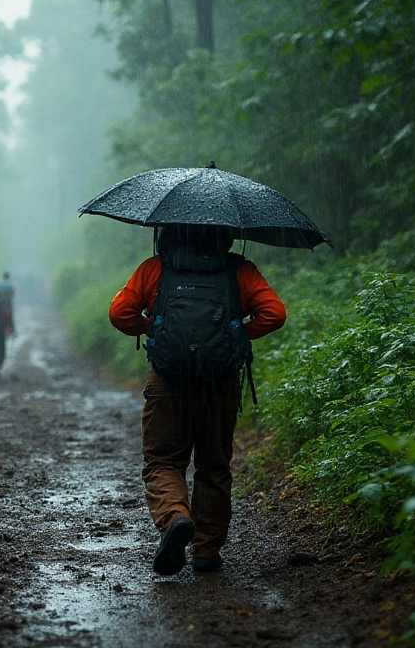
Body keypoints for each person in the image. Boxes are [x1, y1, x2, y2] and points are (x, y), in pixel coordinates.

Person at [108, 226, 286, 575]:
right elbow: (275, 314)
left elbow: (119, 313)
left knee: (162, 462)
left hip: (168, 383)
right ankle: (206, 551)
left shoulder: (154, 268)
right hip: (219, 383)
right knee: (214, 467)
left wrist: (151, 327)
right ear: (226, 236)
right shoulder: (240, 270)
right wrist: (236, 333)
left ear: (171, 232)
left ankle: (176, 517)